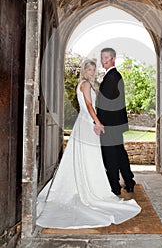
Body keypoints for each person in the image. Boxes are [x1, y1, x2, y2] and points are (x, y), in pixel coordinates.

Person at [36, 59, 141, 229]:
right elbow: (90, 106)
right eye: (89, 69)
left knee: (90, 157)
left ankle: (90, 182)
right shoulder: (85, 84)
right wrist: (98, 122)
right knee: (90, 156)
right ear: (84, 72)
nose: (92, 72)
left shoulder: (88, 85)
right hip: (87, 123)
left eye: (94, 69)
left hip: (86, 123)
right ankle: (90, 187)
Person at [95, 48, 136, 196]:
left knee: (110, 156)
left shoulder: (112, 77)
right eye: (102, 57)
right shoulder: (113, 76)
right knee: (119, 154)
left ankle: (114, 187)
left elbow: (106, 105)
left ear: (113, 59)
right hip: (115, 124)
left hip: (109, 125)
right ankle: (129, 182)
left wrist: (100, 124)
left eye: (106, 57)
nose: (103, 60)